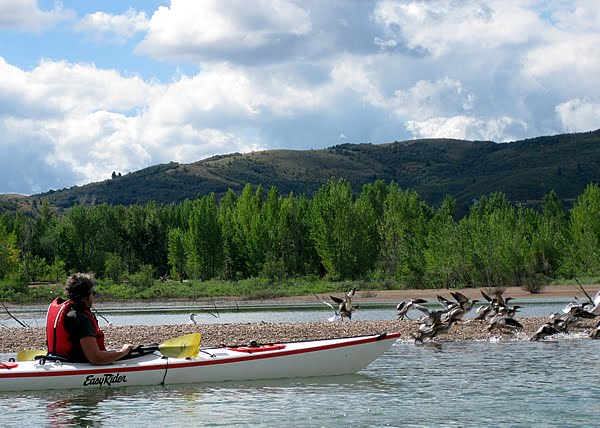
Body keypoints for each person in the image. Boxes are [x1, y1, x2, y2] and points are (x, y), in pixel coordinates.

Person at [46, 273, 134, 364]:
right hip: (75, 365)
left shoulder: (68, 313)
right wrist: (123, 352)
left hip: (58, 360)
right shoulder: (82, 319)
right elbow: (95, 357)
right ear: (88, 296)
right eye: (93, 293)